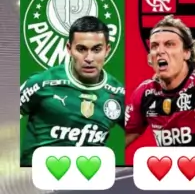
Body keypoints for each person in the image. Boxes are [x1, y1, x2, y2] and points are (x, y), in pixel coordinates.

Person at [20, 16, 125, 166]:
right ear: (69, 49)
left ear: (107, 50)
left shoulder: (118, 93)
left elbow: (137, 128)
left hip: (86, 176)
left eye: (97, 49)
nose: (89, 58)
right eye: (81, 49)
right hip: (35, 177)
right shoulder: (42, 83)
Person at [125, 14, 195, 152]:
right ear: (149, 58)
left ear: (186, 53)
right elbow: (124, 136)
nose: (160, 51)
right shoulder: (145, 93)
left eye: (169, 44)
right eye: (154, 46)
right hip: (170, 164)